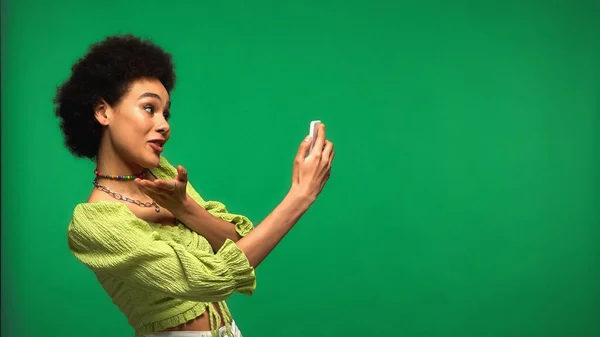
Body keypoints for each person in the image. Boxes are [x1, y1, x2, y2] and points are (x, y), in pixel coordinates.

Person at [54, 34, 334, 337]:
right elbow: (208, 281)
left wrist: (185, 208)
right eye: (149, 108)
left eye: (166, 113)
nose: (164, 125)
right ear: (103, 112)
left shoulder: (160, 175)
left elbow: (240, 241)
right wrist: (300, 195)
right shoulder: (94, 223)